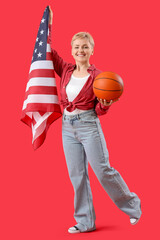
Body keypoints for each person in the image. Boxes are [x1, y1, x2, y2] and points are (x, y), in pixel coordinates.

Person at [48, 6, 142, 234]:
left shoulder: (100, 77)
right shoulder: (66, 70)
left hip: (89, 125)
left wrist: (105, 105)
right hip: (67, 128)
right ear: (72, 50)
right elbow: (48, 52)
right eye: (77, 47)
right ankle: (85, 222)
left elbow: (99, 110)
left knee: (103, 171)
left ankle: (132, 206)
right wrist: (48, 26)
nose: (81, 50)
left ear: (92, 50)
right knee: (77, 175)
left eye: (85, 47)